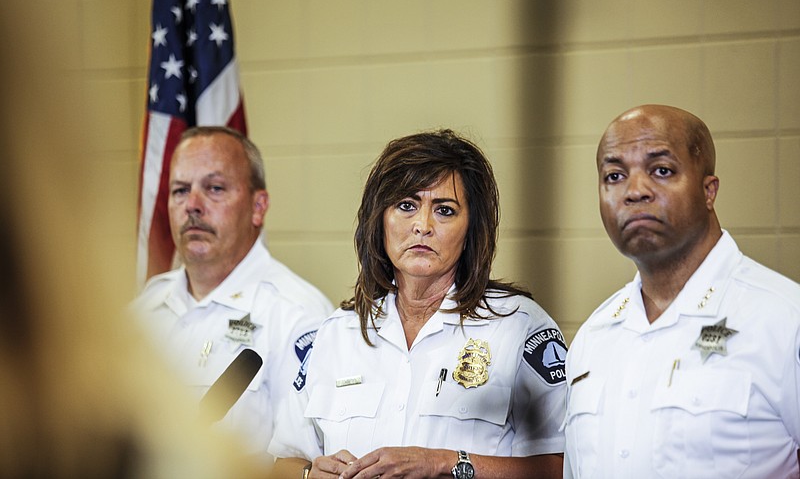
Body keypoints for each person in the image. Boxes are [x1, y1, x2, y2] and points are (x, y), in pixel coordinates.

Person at [269, 129, 567, 479]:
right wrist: (309, 475)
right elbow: (282, 463)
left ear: (472, 228)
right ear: (379, 219)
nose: (422, 226)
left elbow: (562, 467)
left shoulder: (520, 326)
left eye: (444, 210)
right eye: (406, 206)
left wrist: (444, 463)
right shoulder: (339, 332)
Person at [563, 105, 800, 478]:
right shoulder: (593, 339)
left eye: (661, 170)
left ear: (709, 191)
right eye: (614, 175)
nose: (635, 191)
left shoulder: (784, 320)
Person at [132, 126, 333, 459]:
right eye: (180, 190)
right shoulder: (145, 308)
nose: (192, 205)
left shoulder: (297, 314)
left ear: (258, 206)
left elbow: (303, 461)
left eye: (214, 188)